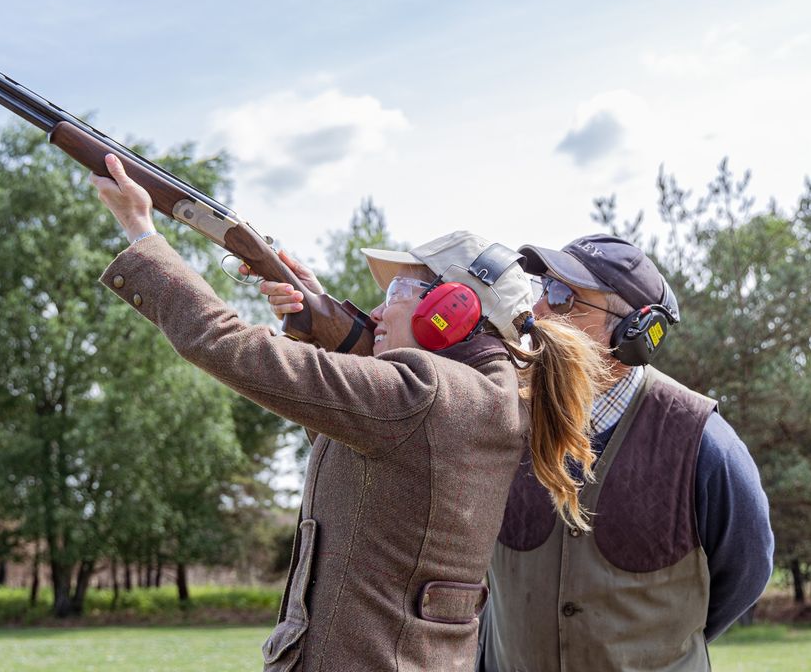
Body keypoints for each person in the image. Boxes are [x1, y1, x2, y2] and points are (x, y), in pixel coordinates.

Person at [90, 154, 608, 672]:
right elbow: (378, 447)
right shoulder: (487, 397)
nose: (379, 311)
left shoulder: (424, 393)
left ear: (451, 311)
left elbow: (226, 345)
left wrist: (142, 233)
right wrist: (318, 314)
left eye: (398, 291)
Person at [473, 234, 775, 672]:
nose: (535, 313)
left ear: (632, 333)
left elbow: (747, 569)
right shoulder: (502, 422)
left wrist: (667, 636)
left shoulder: (705, 443)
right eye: (543, 290)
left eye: (562, 297)